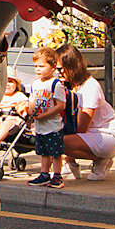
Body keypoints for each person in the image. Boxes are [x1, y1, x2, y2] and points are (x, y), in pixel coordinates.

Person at [57, 44, 115, 181]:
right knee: (56, 135)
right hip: (91, 134)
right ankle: (71, 165)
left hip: (106, 135)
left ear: (71, 66)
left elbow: (82, 126)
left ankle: (102, 160)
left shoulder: (90, 87)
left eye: (60, 69)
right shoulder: (67, 86)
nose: (58, 72)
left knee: (57, 140)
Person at [26, 47, 67, 188]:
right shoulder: (36, 83)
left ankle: (57, 176)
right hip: (40, 126)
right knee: (44, 152)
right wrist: (31, 110)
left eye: (42, 66)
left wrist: (44, 115)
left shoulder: (56, 85)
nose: (38, 69)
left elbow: (61, 105)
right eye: (36, 66)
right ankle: (44, 174)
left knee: (55, 153)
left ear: (53, 66)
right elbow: (32, 98)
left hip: (52, 125)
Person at [0, 67, 30, 150]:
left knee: (7, 123)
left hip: (13, 122)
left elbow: (24, 109)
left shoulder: (19, 95)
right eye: (5, 81)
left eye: (11, 82)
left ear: (16, 85)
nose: (8, 84)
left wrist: (22, 108)